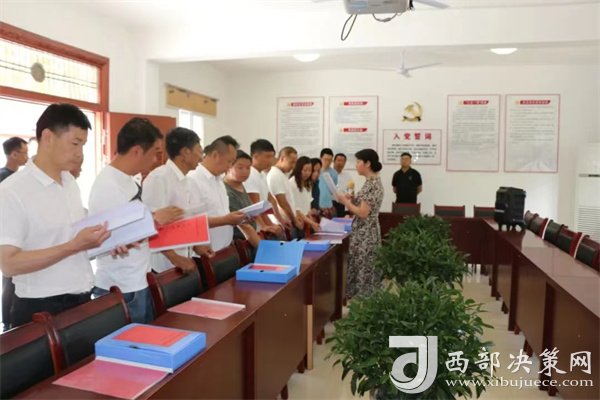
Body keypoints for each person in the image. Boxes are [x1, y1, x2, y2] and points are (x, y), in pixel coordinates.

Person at [0, 103, 110, 329]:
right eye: (75, 143)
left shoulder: (69, 182)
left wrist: (109, 241)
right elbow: (9, 264)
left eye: (83, 145)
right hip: (41, 309)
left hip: (81, 300)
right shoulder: (12, 191)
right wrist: (73, 246)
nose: (80, 153)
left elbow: (72, 238)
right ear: (48, 137)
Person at [88, 118, 183, 323]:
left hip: (136, 279)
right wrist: (155, 219)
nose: (156, 159)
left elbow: (131, 221)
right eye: (155, 152)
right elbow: (112, 238)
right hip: (121, 286)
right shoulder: (108, 185)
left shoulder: (128, 180)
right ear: (138, 151)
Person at [142, 127, 213, 273]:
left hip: (184, 259)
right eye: (199, 151)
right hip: (163, 266)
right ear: (186, 152)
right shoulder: (159, 178)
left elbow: (187, 219)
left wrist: (196, 246)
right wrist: (175, 258)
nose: (201, 158)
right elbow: (153, 225)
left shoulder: (189, 181)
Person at [336, 149, 384, 298]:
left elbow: (363, 213)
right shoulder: (370, 182)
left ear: (367, 163)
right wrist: (352, 199)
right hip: (364, 231)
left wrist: (345, 202)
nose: (356, 165)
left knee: (364, 266)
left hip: (366, 233)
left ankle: (364, 301)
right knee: (359, 264)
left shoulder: (372, 184)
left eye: (358, 162)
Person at [188, 136, 246, 252]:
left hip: (224, 249)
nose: (230, 166)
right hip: (204, 253)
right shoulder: (192, 180)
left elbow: (221, 212)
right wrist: (226, 220)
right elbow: (191, 221)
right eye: (229, 161)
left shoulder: (219, 180)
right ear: (215, 155)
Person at [0, 137, 29, 330]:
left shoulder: (18, 177)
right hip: (7, 236)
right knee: (10, 279)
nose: (27, 157)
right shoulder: (5, 178)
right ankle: (7, 323)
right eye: (24, 152)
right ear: (13, 154)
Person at [243, 139, 286, 237]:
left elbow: (271, 200)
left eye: (272, 156)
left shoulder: (262, 174)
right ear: (255, 156)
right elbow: (255, 206)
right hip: (257, 230)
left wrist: (280, 220)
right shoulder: (250, 174)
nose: (271, 160)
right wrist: (265, 226)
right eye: (267, 156)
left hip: (264, 227)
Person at [224, 150, 261, 251]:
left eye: (248, 168)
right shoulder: (227, 192)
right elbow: (245, 227)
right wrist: (265, 249)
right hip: (238, 245)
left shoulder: (240, 184)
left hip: (250, 240)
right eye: (240, 167)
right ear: (229, 167)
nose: (245, 171)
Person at [267, 146, 303, 238]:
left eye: (295, 163)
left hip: (288, 221)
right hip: (282, 223)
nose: (293, 166)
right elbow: (282, 202)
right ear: (282, 159)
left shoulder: (281, 174)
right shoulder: (275, 175)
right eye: (291, 162)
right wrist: (294, 220)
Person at [289, 156, 320, 236]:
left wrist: (310, 219)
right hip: (298, 222)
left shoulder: (308, 183)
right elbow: (297, 210)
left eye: (309, 170)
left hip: (306, 221)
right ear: (299, 169)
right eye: (305, 170)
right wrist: (312, 223)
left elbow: (307, 205)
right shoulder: (292, 183)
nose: (307, 173)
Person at [318, 148, 337, 217]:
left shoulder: (334, 173)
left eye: (330, 160)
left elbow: (333, 190)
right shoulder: (315, 171)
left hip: (328, 205)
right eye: (325, 159)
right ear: (320, 158)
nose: (327, 162)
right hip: (316, 205)